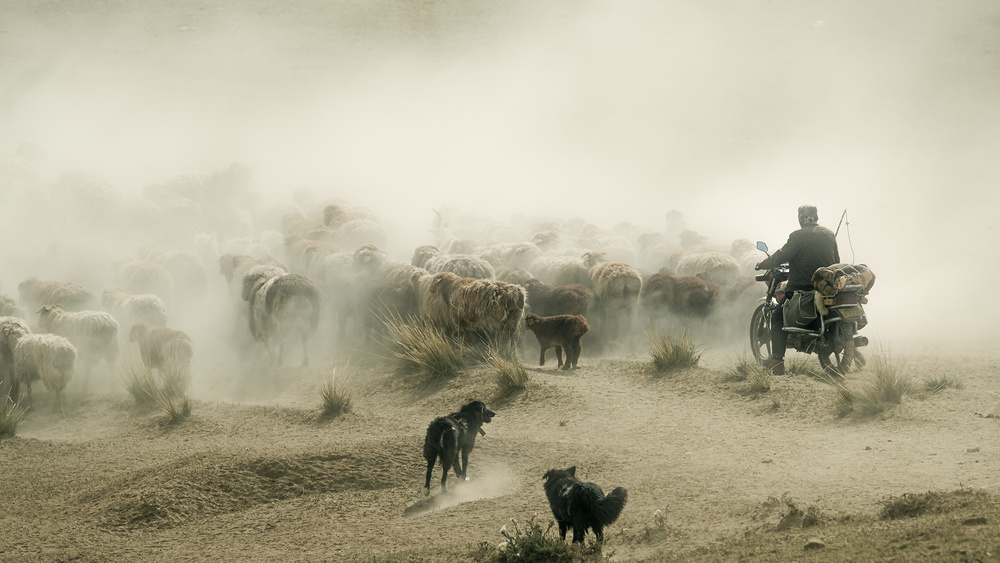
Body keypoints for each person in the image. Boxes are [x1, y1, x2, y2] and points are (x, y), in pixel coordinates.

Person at [754, 205, 840, 375]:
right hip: (827, 288)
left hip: (804, 287)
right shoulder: (829, 234)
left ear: (801, 218)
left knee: (778, 316)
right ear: (816, 217)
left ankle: (777, 361)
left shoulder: (797, 236)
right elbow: (836, 260)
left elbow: (781, 255)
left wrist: (763, 264)